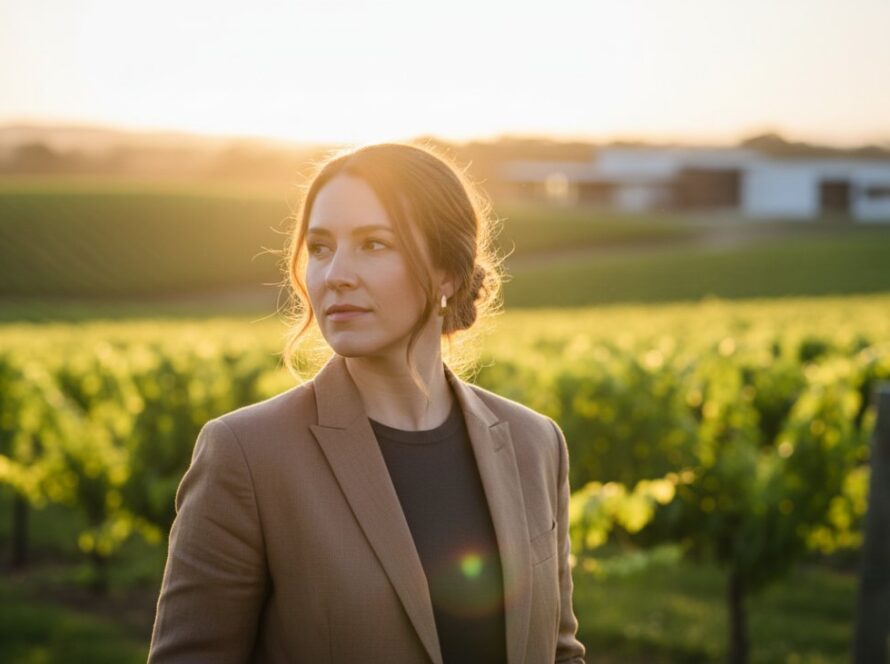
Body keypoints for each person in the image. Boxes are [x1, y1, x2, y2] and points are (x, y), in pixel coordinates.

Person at [148, 142, 586, 663]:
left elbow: (559, 651)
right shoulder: (246, 454)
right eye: (320, 247)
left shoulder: (535, 442)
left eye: (374, 245)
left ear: (448, 272)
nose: (335, 274)